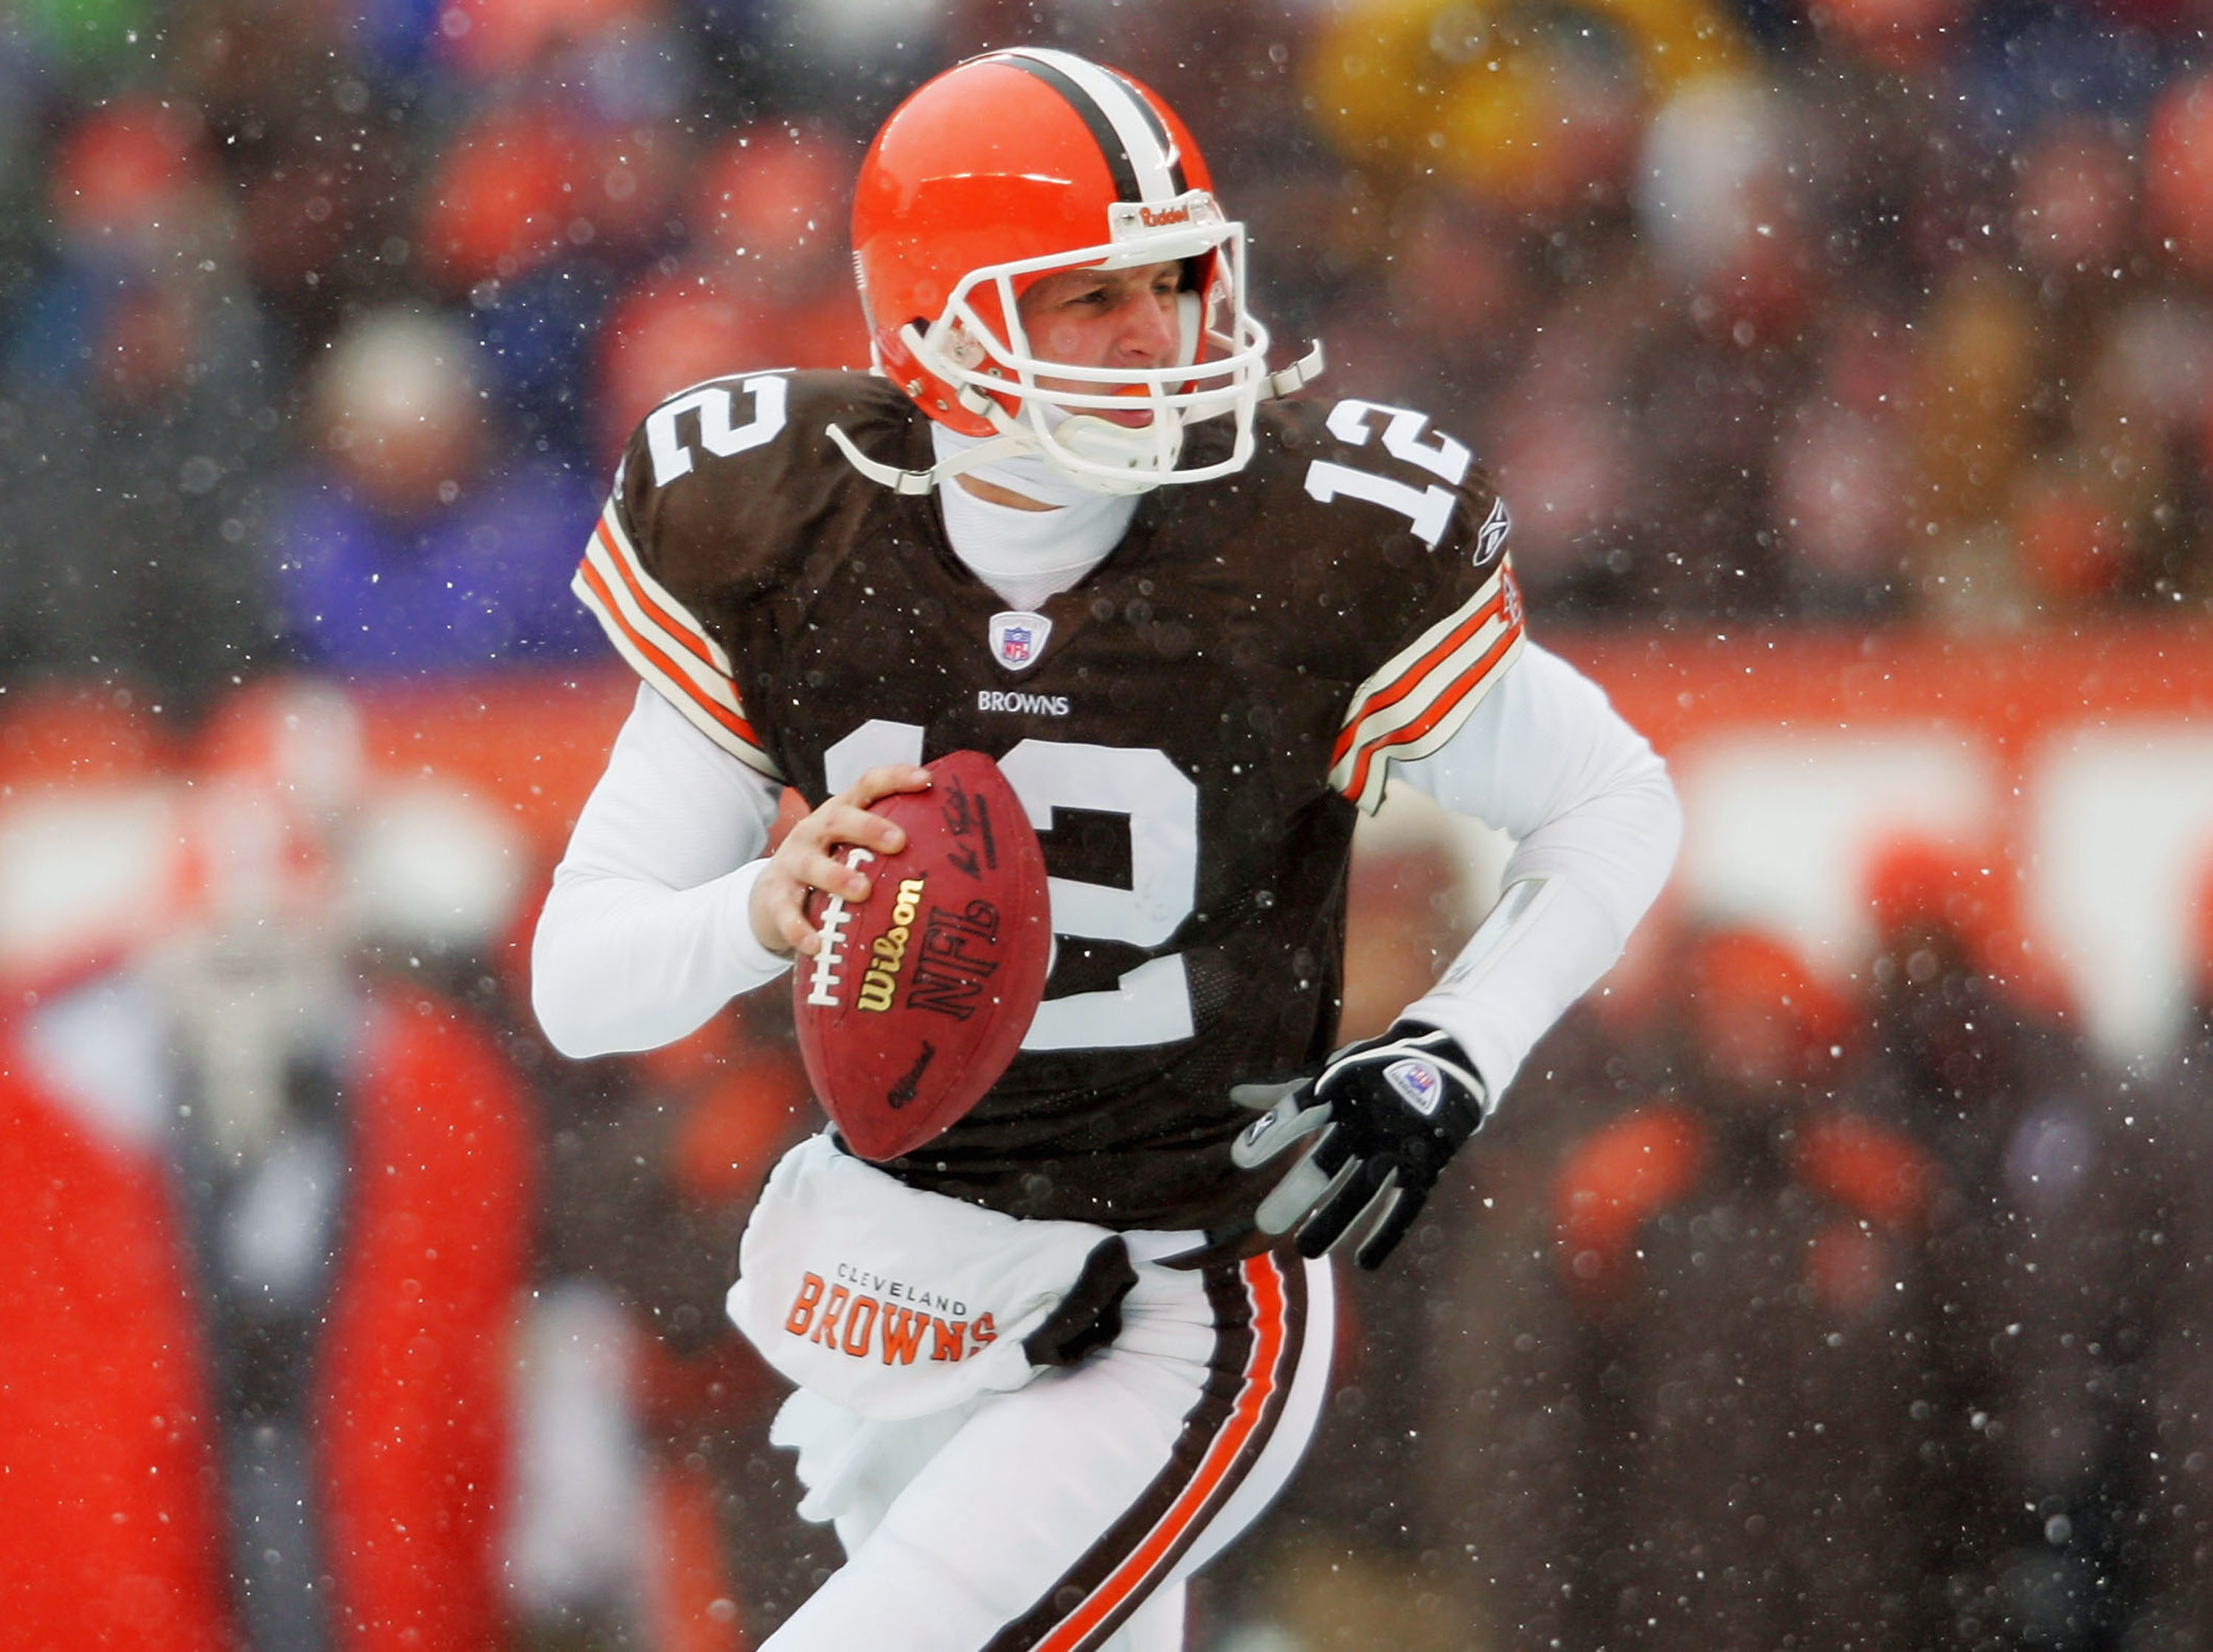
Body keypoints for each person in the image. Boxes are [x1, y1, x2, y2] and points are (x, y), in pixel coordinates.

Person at [531, 46, 1680, 1651]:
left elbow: (1616, 796)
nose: (1163, 336)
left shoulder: (1308, 544)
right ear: (932, 327)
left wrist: (1454, 1050)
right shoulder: (786, 531)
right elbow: (580, 987)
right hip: (919, 1279)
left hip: (1181, 1295)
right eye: (1090, 298)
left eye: (1180, 279)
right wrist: (762, 909)